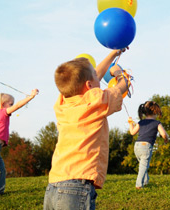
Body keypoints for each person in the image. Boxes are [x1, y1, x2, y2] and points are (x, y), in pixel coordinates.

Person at [43, 49, 130, 210]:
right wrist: (120, 74)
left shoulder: (62, 102)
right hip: (76, 188)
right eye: (96, 77)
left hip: (53, 186)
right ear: (89, 85)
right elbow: (122, 87)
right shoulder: (96, 101)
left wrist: (113, 54)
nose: (99, 76)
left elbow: (89, 78)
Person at [128, 101, 170, 189]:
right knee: (143, 165)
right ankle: (139, 185)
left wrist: (130, 123)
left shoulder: (141, 122)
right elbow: (163, 134)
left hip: (137, 146)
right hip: (146, 146)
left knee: (143, 164)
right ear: (155, 112)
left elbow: (132, 132)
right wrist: (166, 139)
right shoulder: (157, 123)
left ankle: (146, 181)